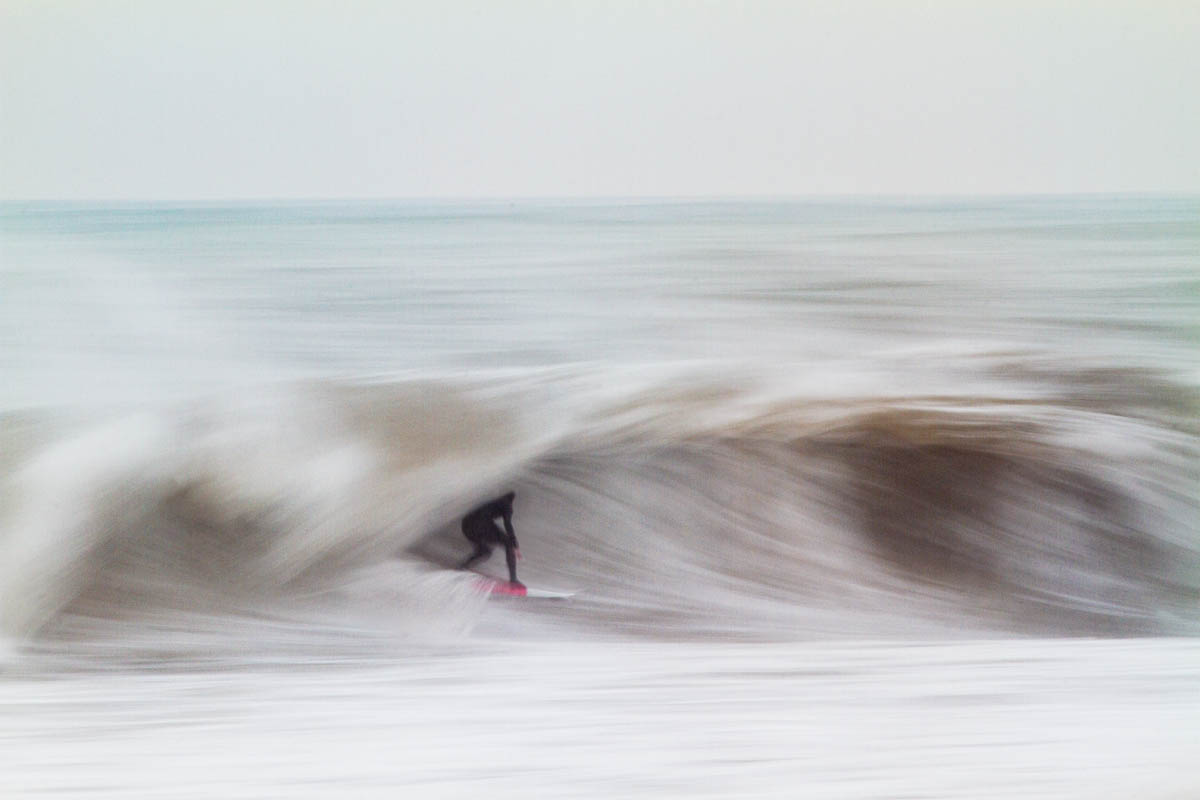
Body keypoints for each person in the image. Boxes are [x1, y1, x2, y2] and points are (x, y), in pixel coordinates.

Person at [458, 491, 523, 587]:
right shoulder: (507, 505)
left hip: (466, 525)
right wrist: (515, 545)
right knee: (508, 544)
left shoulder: (492, 502)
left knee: (484, 551)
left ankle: (462, 567)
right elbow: (507, 524)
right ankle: (513, 579)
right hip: (480, 524)